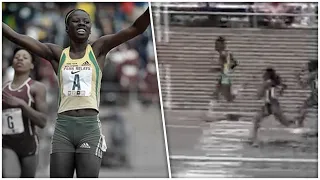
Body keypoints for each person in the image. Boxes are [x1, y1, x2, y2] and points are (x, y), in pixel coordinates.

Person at [3, 7, 150, 178]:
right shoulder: (57, 54)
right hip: (63, 128)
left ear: (90, 28)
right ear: (66, 28)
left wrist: (152, 8)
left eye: (86, 21)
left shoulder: (98, 50)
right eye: (76, 20)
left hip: (88, 127)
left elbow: (135, 29)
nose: (82, 23)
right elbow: (15, 36)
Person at [2, 48, 48, 177]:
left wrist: (22, 105)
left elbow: (43, 121)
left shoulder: (37, 88)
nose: (20, 59)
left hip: (29, 145)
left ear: (32, 64)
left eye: (25, 57)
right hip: (6, 144)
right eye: (17, 57)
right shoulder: (3, 89)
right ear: (12, 61)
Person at [249, 68, 294, 146]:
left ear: (267, 75)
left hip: (271, 105)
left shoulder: (267, 83)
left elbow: (259, 95)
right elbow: (282, 87)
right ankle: (254, 139)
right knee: (284, 122)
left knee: (257, 120)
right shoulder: (274, 82)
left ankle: (254, 140)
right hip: (272, 105)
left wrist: (259, 89)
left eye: (264, 74)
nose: (262, 75)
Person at [295, 61, 318, 127]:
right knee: (304, 106)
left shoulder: (312, 75)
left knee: (304, 107)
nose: (306, 67)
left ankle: (299, 123)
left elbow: (303, 86)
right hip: (314, 95)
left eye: (308, 66)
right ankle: (299, 122)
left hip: (316, 96)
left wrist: (297, 77)